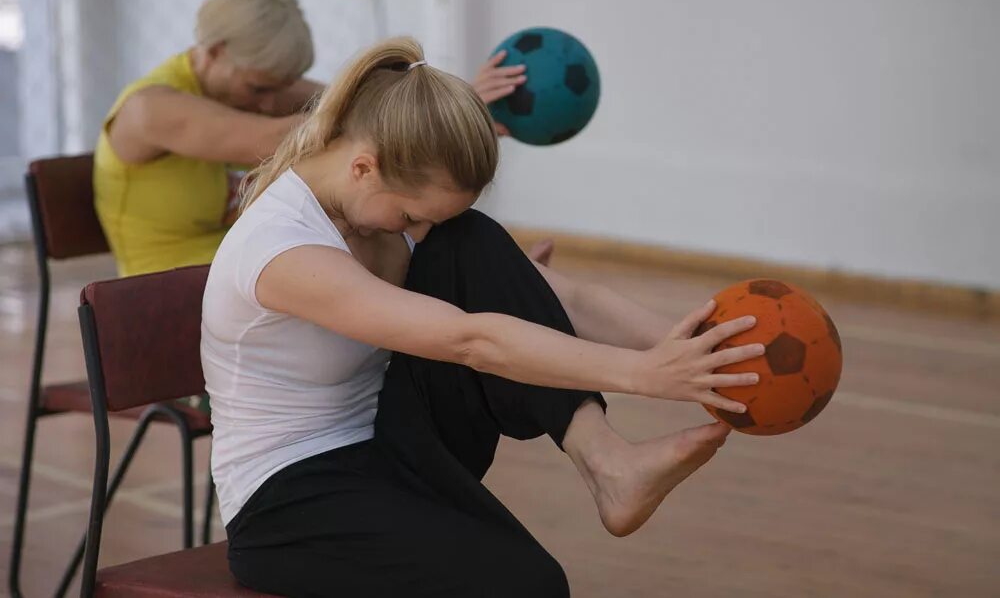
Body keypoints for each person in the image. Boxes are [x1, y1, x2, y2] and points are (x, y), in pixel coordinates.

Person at [201, 37, 762, 598]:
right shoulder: (279, 247)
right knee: (529, 585)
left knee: (472, 242)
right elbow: (470, 341)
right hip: (289, 502)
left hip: (386, 443)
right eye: (410, 215)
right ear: (364, 167)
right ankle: (605, 466)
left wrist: (703, 356)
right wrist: (643, 376)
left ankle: (606, 459)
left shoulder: (386, 213)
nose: (416, 231)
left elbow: (575, 301)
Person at [94, 0, 533, 277]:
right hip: (165, 300)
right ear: (215, 51)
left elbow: (368, 102)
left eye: (280, 88)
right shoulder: (150, 109)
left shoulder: (243, 83)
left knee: (409, 243)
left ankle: (510, 280)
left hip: (239, 266)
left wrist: (442, 116)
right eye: (258, 88)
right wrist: (432, 124)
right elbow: (282, 136)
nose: (269, 102)